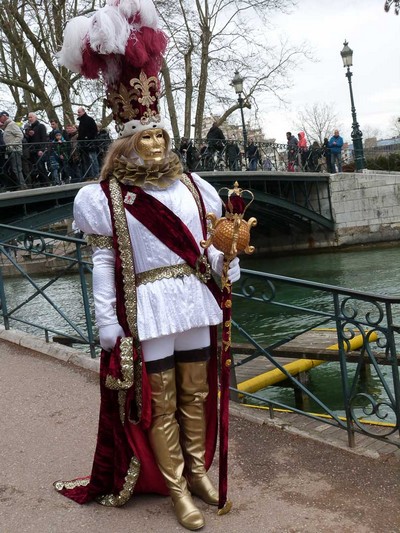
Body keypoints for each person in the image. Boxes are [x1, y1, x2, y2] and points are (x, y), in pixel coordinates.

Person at [55, 2, 240, 531]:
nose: (156, 144)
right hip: (151, 305)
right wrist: (108, 323)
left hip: (194, 296)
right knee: (158, 399)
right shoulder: (104, 197)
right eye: (145, 138)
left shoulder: (193, 186)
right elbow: (105, 262)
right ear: (127, 143)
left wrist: (226, 258)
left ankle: (200, 468)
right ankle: (178, 485)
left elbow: (204, 246)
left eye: (159, 135)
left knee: (197, 389)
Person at [0, 111, 26, 189]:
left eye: (0, 117)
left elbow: (20, 135)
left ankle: (23, 185)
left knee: (17, 168)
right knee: (14, 169)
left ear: (4, 116)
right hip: (10, 151)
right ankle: (19, 185)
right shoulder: (7, 126)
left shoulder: (12, 124)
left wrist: (12, 145)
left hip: (15, 150)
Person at [24, 112, 49, 187]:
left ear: (35, 117)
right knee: (35, 168)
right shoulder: (30, 128)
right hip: (32, 150)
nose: (29, 119)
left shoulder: (41, 126)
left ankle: (45, 182)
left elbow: (44, 138)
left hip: (39, 150)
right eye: (28, 117)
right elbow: (28, 140)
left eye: (31, 117)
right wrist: (28, 134)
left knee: (41, 167)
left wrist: (42, 149)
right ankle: (39, 182)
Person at [76, 107, 99, 179]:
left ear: (83, 112)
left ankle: (96, 175)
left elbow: (94, 130)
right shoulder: (81, 122)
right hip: (83, 145)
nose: (78, 114)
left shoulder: (89, 119)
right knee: (86, 161)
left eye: (79, 112)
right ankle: (90, 175)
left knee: (93, 160)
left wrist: (87, 137)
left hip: (90, 143)